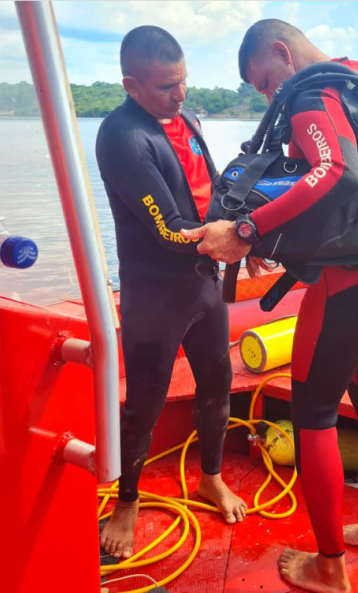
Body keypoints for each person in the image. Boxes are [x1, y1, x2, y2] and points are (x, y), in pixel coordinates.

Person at [183, 19, 358, 593]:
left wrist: (245, 229)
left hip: (346, 288)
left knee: (314, 416)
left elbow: (334, 171)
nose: (268, 97)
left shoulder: (313, 94)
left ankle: (330, 568)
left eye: (264, 82)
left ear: (281, 53)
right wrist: (269, 237)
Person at [96, 26, 246, 561]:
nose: (179, 96)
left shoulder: (186, 119)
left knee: (218, 383)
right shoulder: (122, 137)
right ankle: (127, 502)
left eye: (183, 82)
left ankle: (210, 478)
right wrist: (232, 242)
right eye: (165, 87)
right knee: (144, 402)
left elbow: (217, 193)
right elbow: (169, 230)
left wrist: (247, 225)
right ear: (132, 85)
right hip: (155, 294)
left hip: (202, 287)